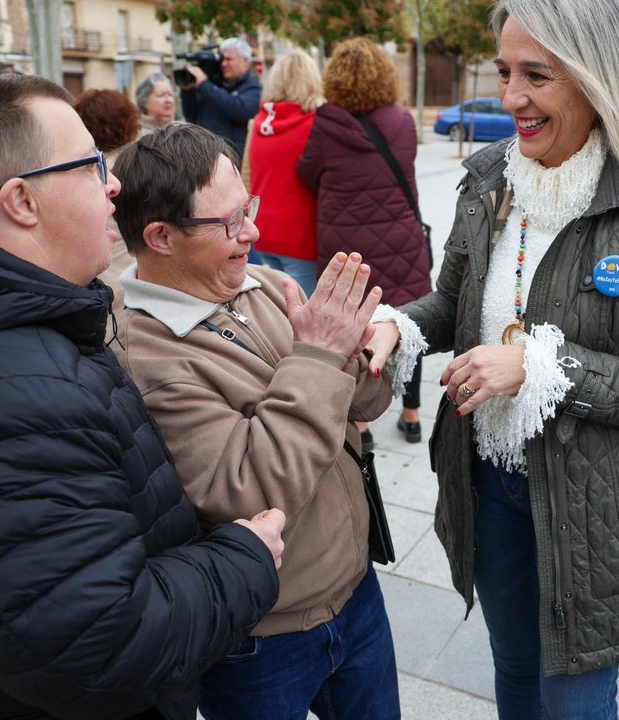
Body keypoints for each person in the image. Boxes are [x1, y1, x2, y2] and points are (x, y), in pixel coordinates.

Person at [0, 73, 284, 720]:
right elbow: (101, 649)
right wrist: (244, 559)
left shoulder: (12, 334)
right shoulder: (5, 398)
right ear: (21, 201)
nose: (114, 185)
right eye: (91, 166)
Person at [366, 0, 619, 719]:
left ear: (599, 79)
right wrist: (396, 326)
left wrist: (542, 367)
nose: (511, 98)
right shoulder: (489, 181)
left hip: (597, 509)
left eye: (537, 75)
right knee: (516, 676)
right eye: (505, 72)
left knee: (572, 702)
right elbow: (454, 302)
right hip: (489, 484)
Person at [109, 123, 405, 719]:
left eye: (249, 208)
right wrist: (320, 355)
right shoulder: (144, 356)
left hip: (356, 593)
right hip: (262, 640)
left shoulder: (265, 284)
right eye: (229, 222)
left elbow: (366, 408)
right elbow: (251, 490)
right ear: (160, 237)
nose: (253, 231)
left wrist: (364, 352)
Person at [298, 37, 432, 446]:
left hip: (348, 247)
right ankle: (412, 416)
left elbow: (307, 174)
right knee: (405, 324)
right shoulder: (403, 120)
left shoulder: (326, 124)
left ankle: (361, 425)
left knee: (353, 328)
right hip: (403, 239)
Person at [248, 49, 324, 295]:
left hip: (265, 231)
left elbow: (248, 173)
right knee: (304, 310)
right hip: (301, 237)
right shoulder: (316, 122)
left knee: (283, 307)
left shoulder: (258, 122)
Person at [73, 88, 142, 314]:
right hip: (134, 272)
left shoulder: (86, 171)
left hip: (99, 276)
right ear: (128, 120)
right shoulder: (137, 165)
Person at [180, 37, 261, 159]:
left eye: (229, 59)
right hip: (203, 159)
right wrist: (188, 90)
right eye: (222, 59)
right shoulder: (212, 87)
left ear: (245, 61)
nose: (223, 64)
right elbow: (191, 117)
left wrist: (204, 85)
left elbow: (239, 110)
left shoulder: (254, 89)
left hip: (232, 162)